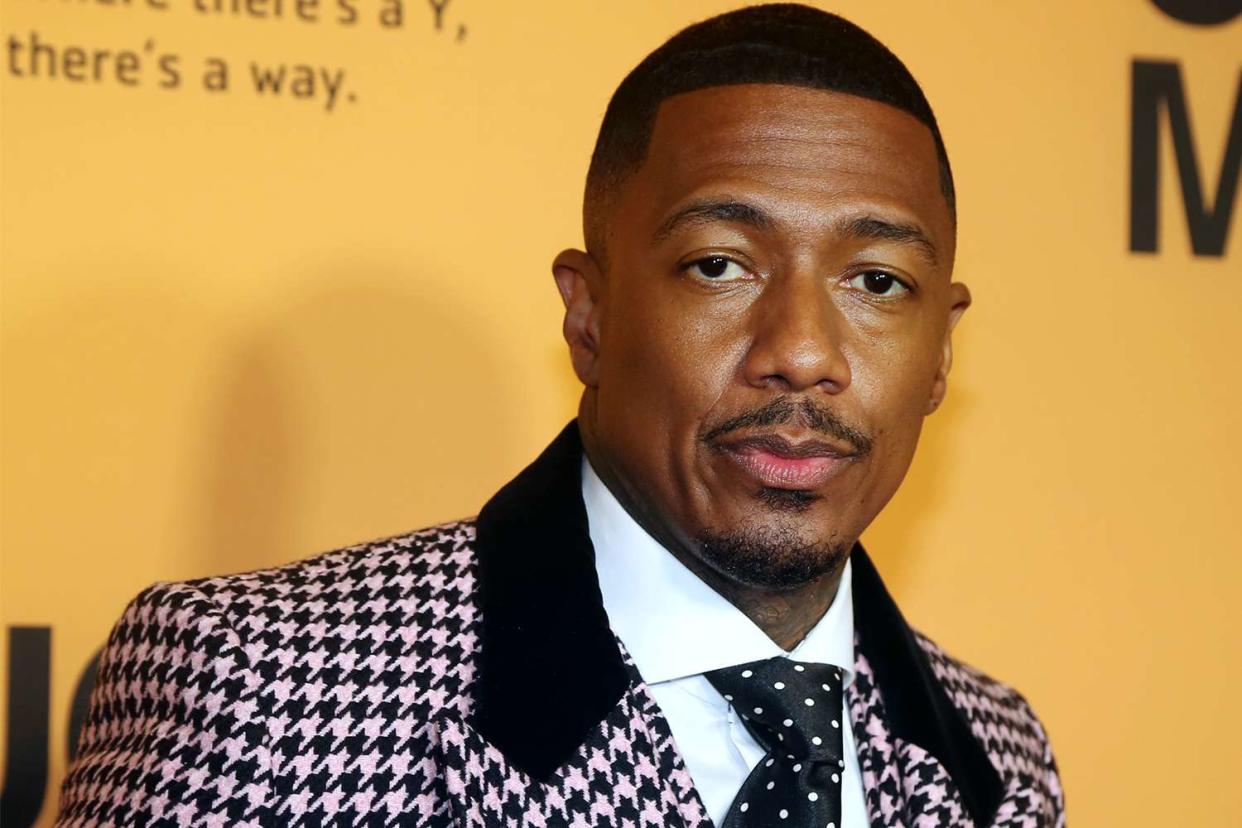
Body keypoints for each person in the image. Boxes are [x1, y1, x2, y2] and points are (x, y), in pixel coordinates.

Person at [57, 4, 1065, 826]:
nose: (801, 350)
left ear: (943, 350)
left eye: (879, 281)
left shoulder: (999, 755)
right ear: (589, 314)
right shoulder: (262, 693)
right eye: (720, 265)